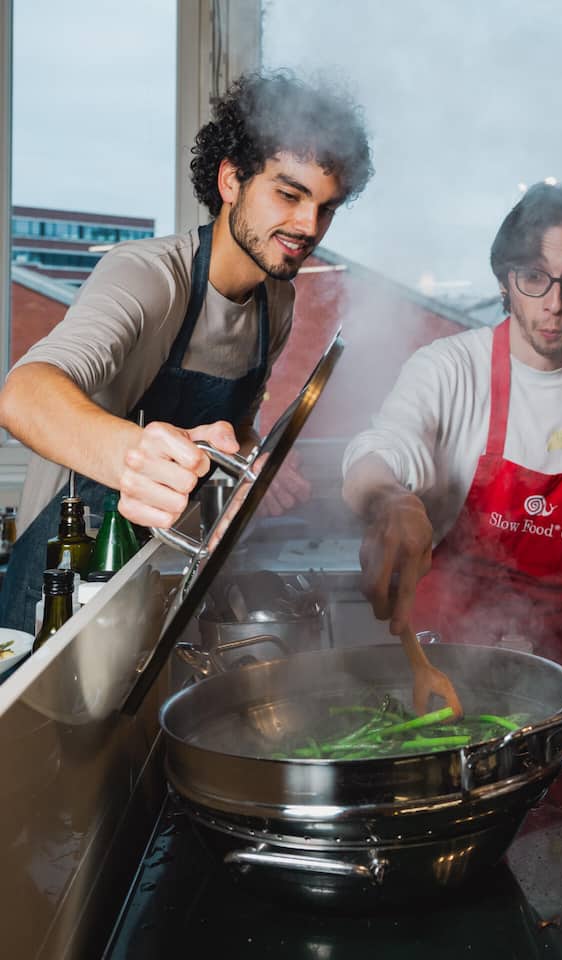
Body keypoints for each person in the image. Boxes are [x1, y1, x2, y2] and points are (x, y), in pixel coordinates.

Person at [0, 70, 373, 633]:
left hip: (168, 561)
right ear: (230, 180)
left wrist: (252, 460)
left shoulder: (278, 300)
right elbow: (23, 395)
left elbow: (232, 426)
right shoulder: (146, 276)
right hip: (67, 571)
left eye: (326, 207)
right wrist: (135, 455)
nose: (308, 225)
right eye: (288, 194)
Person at [342, 182, 562, 668]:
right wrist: (389, 499)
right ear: (504, 280)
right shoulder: (449, 369)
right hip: (449, 655)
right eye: (534, 277)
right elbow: (382, 446)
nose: (554, 304)